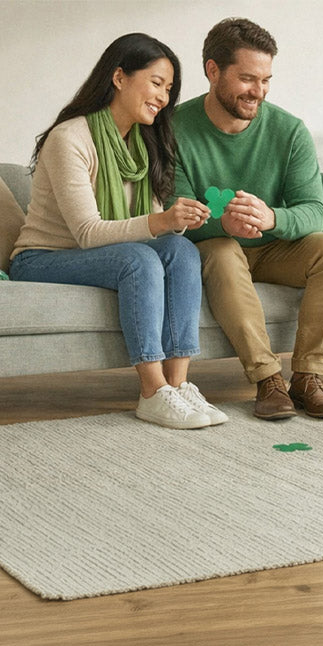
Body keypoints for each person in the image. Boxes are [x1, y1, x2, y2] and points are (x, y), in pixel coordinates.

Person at [9, 33, 226, 430]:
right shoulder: (70, 138)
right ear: (119, 77)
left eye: (169, 89)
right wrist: (161, 222)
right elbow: (88, 233)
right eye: (156, 83)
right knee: (139, 259)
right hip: (44, 258)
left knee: (182, 251)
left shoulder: (144, 144)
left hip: (103, 254)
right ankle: (152, 392)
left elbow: (152, 228)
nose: (163, 98)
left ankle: (177, 385)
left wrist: (178, 221)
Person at [171, 17, 323, 420]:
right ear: (213, 71)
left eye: (266, 80)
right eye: (247, 79)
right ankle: (267, 379)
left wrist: (272, 218)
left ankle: (309, 377)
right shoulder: (173, 130)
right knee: (222, 250)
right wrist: (223, 225)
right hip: (216, 249)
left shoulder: (289, 131)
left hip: (275, 249)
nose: (259, 91)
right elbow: (175, 211)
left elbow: (314, 211)